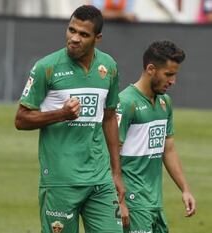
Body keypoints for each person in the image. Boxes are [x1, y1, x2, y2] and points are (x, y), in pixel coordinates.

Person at [15, 5, 125, 233]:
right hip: (60, 180)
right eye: (71, 30)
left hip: (100, 179)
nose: (74, 38)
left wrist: (116, 172)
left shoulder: (109, 67)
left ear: (98, 38)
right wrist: (61, 114)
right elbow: (21, 119)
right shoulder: (46, 67)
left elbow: (109, 118)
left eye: (83, 34)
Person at [116, 40, 196, 233]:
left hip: (154, 201)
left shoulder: (164, 103)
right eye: (168, 74)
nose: (173, 81)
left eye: (175, 74)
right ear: (151, 69)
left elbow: (168, 149)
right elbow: (109, 155)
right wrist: (119, 202)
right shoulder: (126, 103)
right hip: (133, 201)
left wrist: (184, 189)